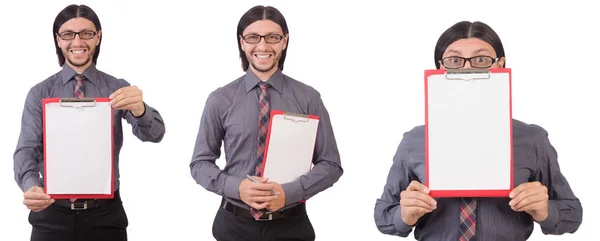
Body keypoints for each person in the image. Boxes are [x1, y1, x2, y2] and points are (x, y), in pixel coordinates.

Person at [373, 21, 582, 240]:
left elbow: (573, 214)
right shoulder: (414, 141)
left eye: (481, 59)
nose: (467, 69)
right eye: (454, 60)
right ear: (440, 68)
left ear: (500, 65)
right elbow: (383, 217)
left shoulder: (532, 139)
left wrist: (545, 210)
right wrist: (404, 214)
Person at [190, 5, 343, 241]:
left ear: (284, 41)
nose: (262, 46)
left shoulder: (308, 98)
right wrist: (237, 187)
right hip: (233, 226)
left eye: (272, 37)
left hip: (292, 226)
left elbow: (331, 164)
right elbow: (200, 164)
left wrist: (289, 192)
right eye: (253, 37)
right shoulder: (220, 99)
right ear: (242, 42)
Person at [13, 4, 166, 241]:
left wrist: (141, 110)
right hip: (51, 215)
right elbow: (26, 149)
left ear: (98, 37)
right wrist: (30, 185)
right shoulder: (39, 93)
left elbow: (155, 134)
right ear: (58, 39)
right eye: (68, 34)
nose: (77, 41)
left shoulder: (117, 88)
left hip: (106, 216)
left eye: (86, 33)